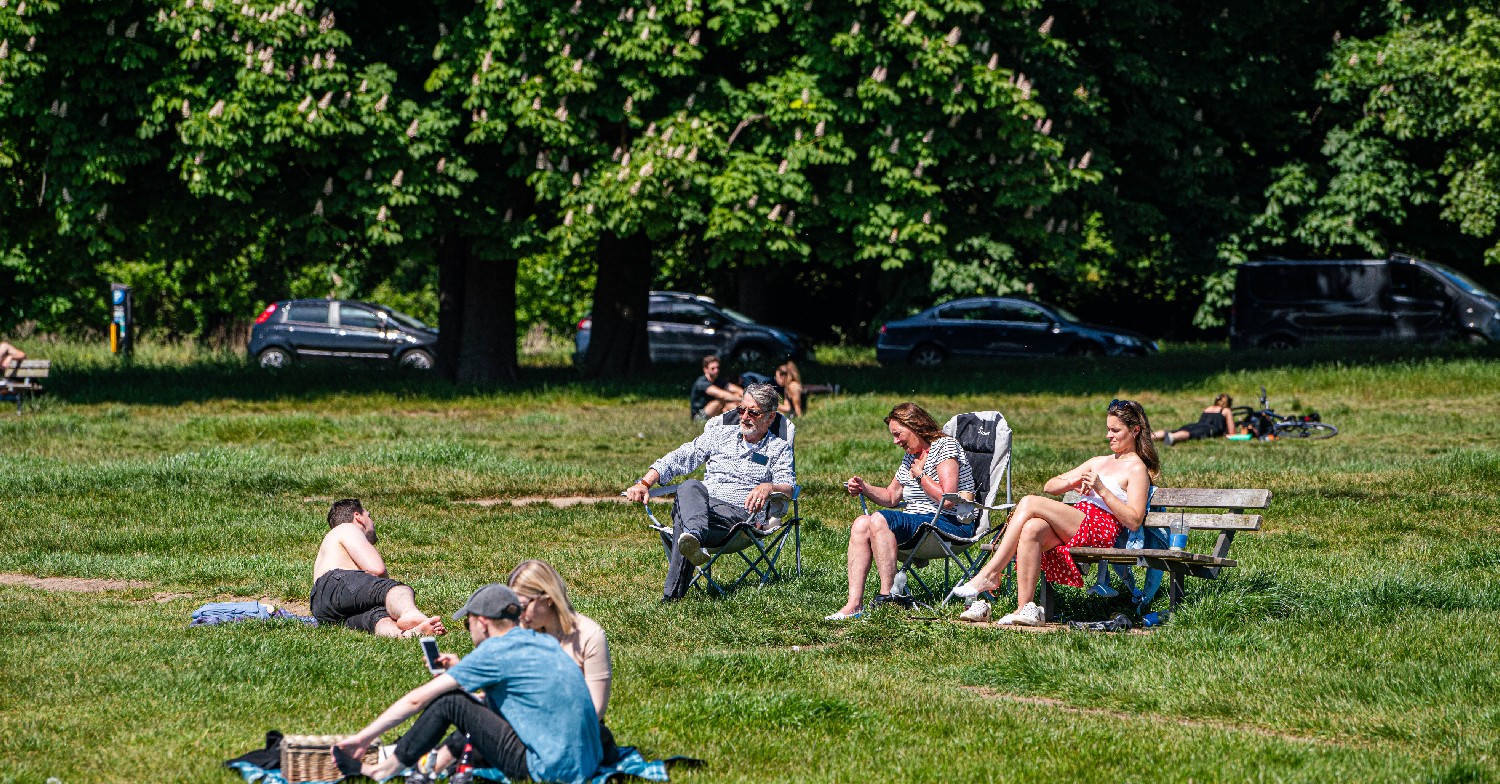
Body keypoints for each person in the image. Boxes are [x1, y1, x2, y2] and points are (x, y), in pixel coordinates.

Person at [331, 584, 603, 784]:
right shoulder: (541, 641)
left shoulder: (494, 651)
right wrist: (463, 672)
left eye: (468, 624)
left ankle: (382, 773)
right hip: (586, 762)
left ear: (483, 623)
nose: (469, 631)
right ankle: (434, 767)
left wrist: (362, 738)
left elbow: (418, 699)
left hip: (548, 770)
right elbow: (510, 698)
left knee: (450, 701)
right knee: (473, 705)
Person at [950, 399, 1158, 626]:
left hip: (1101, 527)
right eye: (1108, 429)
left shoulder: (1137, 468)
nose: (1109, 435)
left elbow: (1134, 520)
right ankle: (1025, 608)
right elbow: (1050, 486)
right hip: (1079, 519)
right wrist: (1073, 481)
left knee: (1029, 502)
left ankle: (991, 574)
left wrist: (1103, 490)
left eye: (1115, 430)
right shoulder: (1099, 461)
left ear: (1135, 430)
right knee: (1033, 528)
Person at [625, 382, 796, 601]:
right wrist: (644, 483)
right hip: (704, 509)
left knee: (683, 520)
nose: (744, 417)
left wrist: (769, 487)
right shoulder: (720, 435)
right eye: (741, 410)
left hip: (738, 520)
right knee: (690, 486)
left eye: (752, 413)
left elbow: (788, 487)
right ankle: (694, 538)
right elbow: (681, 456)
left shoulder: (778, 449)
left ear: (770, 418)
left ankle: (674, 591)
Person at [826, 403, 976, 620]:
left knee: (879, 519)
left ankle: (889, 597)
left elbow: (948, 499)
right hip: (918, 524)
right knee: (861, 522)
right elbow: (891, 496)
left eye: (897, 434)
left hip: (948, 525)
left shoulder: (945, 447)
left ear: (914, 425)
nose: (896, 441)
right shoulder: (911, 456)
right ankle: (854, 604)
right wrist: (864, 487)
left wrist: (920, 476)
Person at [310, 498, 445, 638]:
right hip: (335, 583)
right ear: (358, 517)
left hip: (323, 608)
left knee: (378, 617)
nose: (372, 522)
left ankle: (408, 635)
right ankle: (411, 614)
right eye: (369, 516)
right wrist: (388, 589)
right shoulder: (347, 528)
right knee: (396, 589)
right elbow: (377, 569)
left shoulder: (333, 544)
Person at [1154, 394, 1234, 445]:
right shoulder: (1226, 410)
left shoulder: (1207, 408)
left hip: (1196, 424)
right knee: (1190, 434)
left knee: (1174, 430)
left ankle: (1150, 437)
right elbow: (1232, 431)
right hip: (1209, 428)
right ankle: (1173, 437)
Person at [773, 360, 837, 418]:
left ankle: (830, 388)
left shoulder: (793, 387)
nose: (776, 379)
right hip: (792, 416)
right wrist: (774, 405)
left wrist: (801, 421)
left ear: (783, 376)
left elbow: (798, 408)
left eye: (777, 377)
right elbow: (787, 408)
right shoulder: (787, 388)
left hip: (796, 416)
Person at [689, 354, 744, 421]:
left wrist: (747, 396)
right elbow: (722, 395)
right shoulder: (701, 382)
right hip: (699, 417)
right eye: (713, 368)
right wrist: (742, 400)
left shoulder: (719, 380)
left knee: (731, 404)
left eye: (717, 368)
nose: (716, 370)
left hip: (713, 413)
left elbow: (735, 388)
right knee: (721, 400)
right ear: (705, 369)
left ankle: (743, 419)